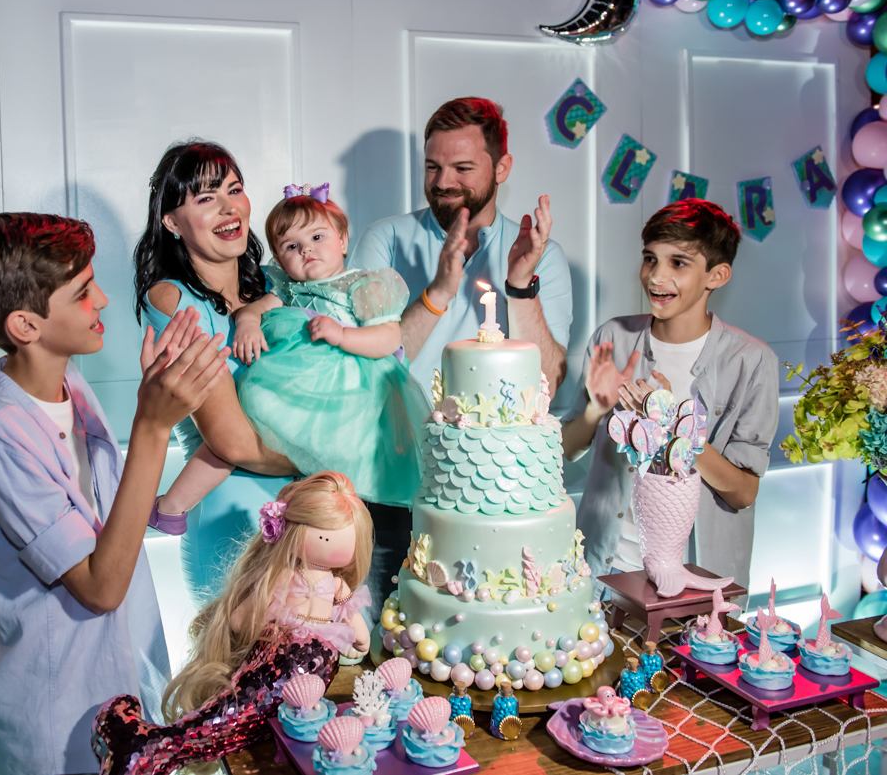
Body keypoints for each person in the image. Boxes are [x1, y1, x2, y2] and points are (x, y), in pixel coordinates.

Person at [0, 212, 230, 775]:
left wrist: (159, 404)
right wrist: (152, 426)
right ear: (26, 325)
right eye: (82, 292)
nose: (103, 301)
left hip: (116, 678)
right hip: (54, 704)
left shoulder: (69, 383)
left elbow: (106, 518)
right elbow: (101, 587)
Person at [347, 96, 573, 613]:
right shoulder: (385, 240)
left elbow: (548, 379)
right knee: (379, 641)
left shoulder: (542, 255)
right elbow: (361, 367)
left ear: (502, 167)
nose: (443, 181)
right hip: (386, 490)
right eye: (433, 166)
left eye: (462, 168)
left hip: (491, 496)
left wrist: (520, 285)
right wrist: (439, 292)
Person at [155, 184, 429, 518]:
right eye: (291, 246)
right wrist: (248, 325)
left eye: (317, 237)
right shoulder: (287, 288)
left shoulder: (362, 285)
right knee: (239, 429)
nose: (306, 250)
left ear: (343, 240)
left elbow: (388, 339)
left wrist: (342, 335)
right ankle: (172, 506)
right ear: (280, 259)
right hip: (297, 390)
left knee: (341, 477)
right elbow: (252, 310)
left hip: (351, 397)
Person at [561, 199, 779, 597]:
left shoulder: (751, 360)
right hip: (603, 569)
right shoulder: (613, 337)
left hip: (696, 581)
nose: (656, 276)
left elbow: (743, 492)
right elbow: (567, 449)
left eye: (678, 263)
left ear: (717, 275)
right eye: (650, 259)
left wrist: (675, 423)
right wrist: (596, 409)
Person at [92, 472, 373, 775]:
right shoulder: (285, 577)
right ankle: (144, 749)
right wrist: (271, 624)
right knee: (232, 717)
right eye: (326, 537)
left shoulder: (337, 586)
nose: (341, 548)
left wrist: (358, 637)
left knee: (252, 726)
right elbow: (239, 621)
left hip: (310, 691)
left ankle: (147, 748)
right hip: (277, 668)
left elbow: (358, 632)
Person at [135, 140, 299, 606]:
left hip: (312, 514)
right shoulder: (173, 299)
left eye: (235, 189)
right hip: (235, 523)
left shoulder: (277, 283)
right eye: (207, 198)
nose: (230, 208)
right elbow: (232, 442)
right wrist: (332, 458)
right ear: (172, 222)